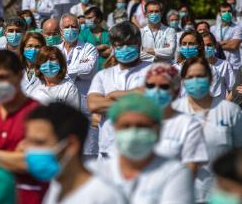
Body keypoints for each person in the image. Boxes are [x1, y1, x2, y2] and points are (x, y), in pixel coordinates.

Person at [90, 93, 194, 204]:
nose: (133, 133)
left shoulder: (175, 173)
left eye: (141, 126)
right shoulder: (95, 172)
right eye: (126, 126)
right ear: (115, 129)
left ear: (157, 130)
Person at [172, 56, 242, 203]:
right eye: (190, 77)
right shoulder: (173, 112)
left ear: (210, 78)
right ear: (183, 80)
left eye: (200, 76)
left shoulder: (231, 111)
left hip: (220, 196)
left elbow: (238, 153)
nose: (195, 80)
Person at [23, 103, 124, 204]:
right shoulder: (56, 187)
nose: (29, 149)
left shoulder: (103, 197)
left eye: (39, 143)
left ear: (71, 145)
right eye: (29, 141)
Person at [0, 50, 47, 204]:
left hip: (28, 196)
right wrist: (12, 157)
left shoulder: (38, 113)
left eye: (3, 77)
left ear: (19, 75)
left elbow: (29, 163)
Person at [87, 22, 151, 156]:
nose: (125, 48)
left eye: (129, 44)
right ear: (113, 47)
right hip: (108, 150)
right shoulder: (103, 75)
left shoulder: (154, 71)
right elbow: (93, 105)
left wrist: (112, 96)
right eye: (120, 45)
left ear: (139, 44)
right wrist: (135, 96)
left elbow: (154, 102)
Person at [144, 63, 208, 175]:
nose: (156, 91)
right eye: (151, 86)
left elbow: (190, 169)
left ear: (175, 90)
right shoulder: (132, 121)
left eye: (164, 86)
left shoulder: (189, 125)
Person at [56, 13, 98, 114]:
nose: (70, 29)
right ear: (61, 31)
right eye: (66, 27)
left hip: (83, 103)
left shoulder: (89, 48)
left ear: (79, 30)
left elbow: (88, 69)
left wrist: (61, 70)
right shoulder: (54, 49)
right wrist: (77, 69)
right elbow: (49, 72)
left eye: (74, 26)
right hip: (59, 101)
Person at [174, 31, 225, 100]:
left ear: (200, 46)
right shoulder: (174, 69)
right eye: (184, 43)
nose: (187, 46)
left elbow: (214, 97)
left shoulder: (211, 70)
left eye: (191, 44)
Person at [202, 32, 235, 99]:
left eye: (209, 45)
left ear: (215, 46)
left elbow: (231, 90)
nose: (206, 48)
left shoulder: (225, 65)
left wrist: (225, 106)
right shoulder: (192, 65)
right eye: (203, 45)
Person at [211, 3, 242, 71]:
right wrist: (227, 41)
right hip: (217, 63)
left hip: (233, 64)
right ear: (219, 13)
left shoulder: (238, 28)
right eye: (224, 11)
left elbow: (234, 46)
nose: (227, 13)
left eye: (229, 11)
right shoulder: (213, 29)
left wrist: (217, 44)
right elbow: (210, 45)